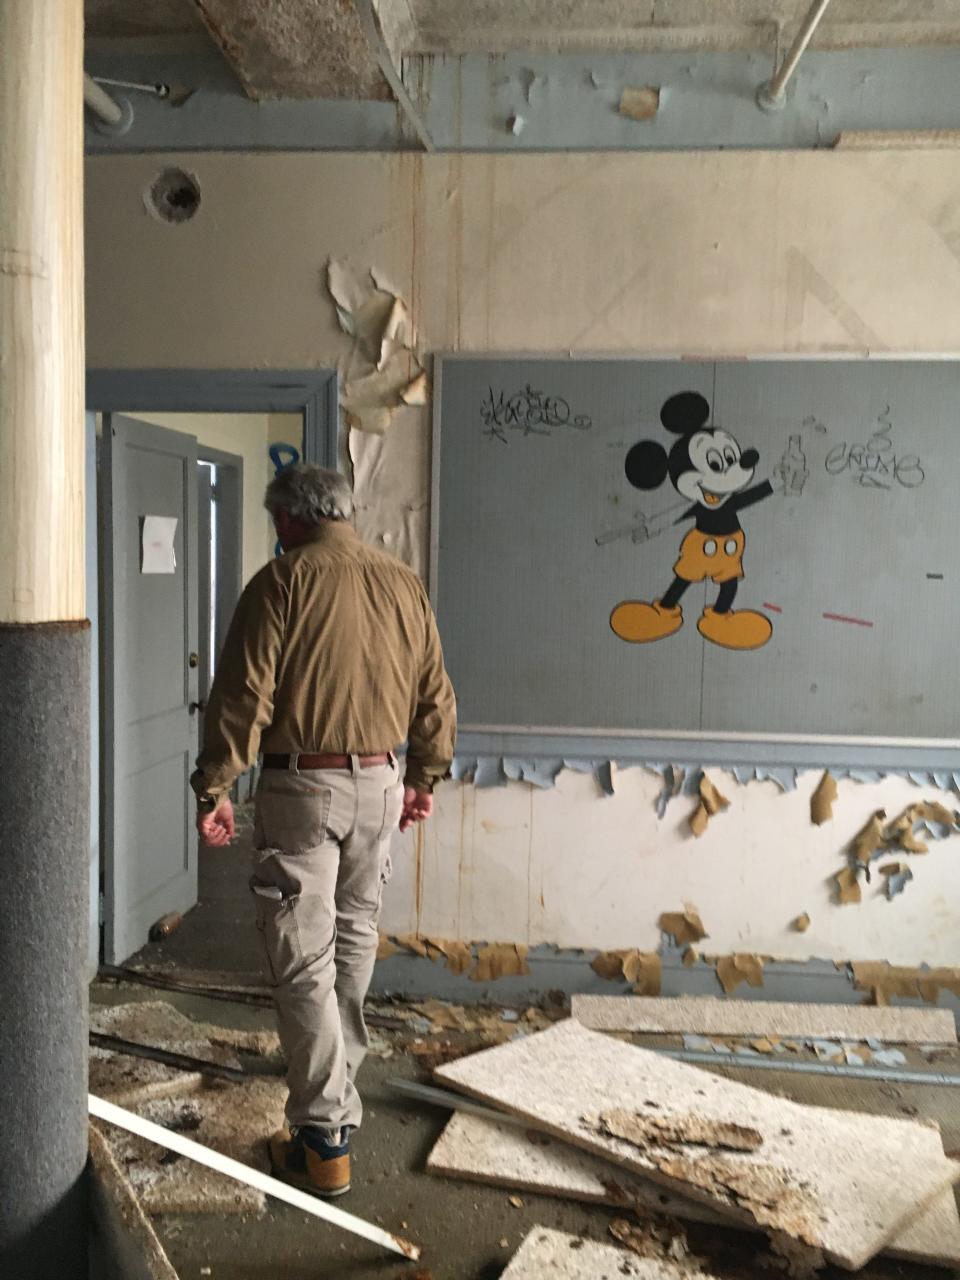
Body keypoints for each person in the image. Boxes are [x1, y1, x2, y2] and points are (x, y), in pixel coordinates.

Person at [190, 463, 456, 1198]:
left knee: (302, 954)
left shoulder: (282, 584)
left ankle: (322, 1137)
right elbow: (435, 690)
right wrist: (424, 778)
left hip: (303, 785)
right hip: (380, 780)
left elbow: (245, 695)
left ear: (290, 519)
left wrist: (215, 785)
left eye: (277, 523)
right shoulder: (403, 583)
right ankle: (334, 1087)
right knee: (353, 936)